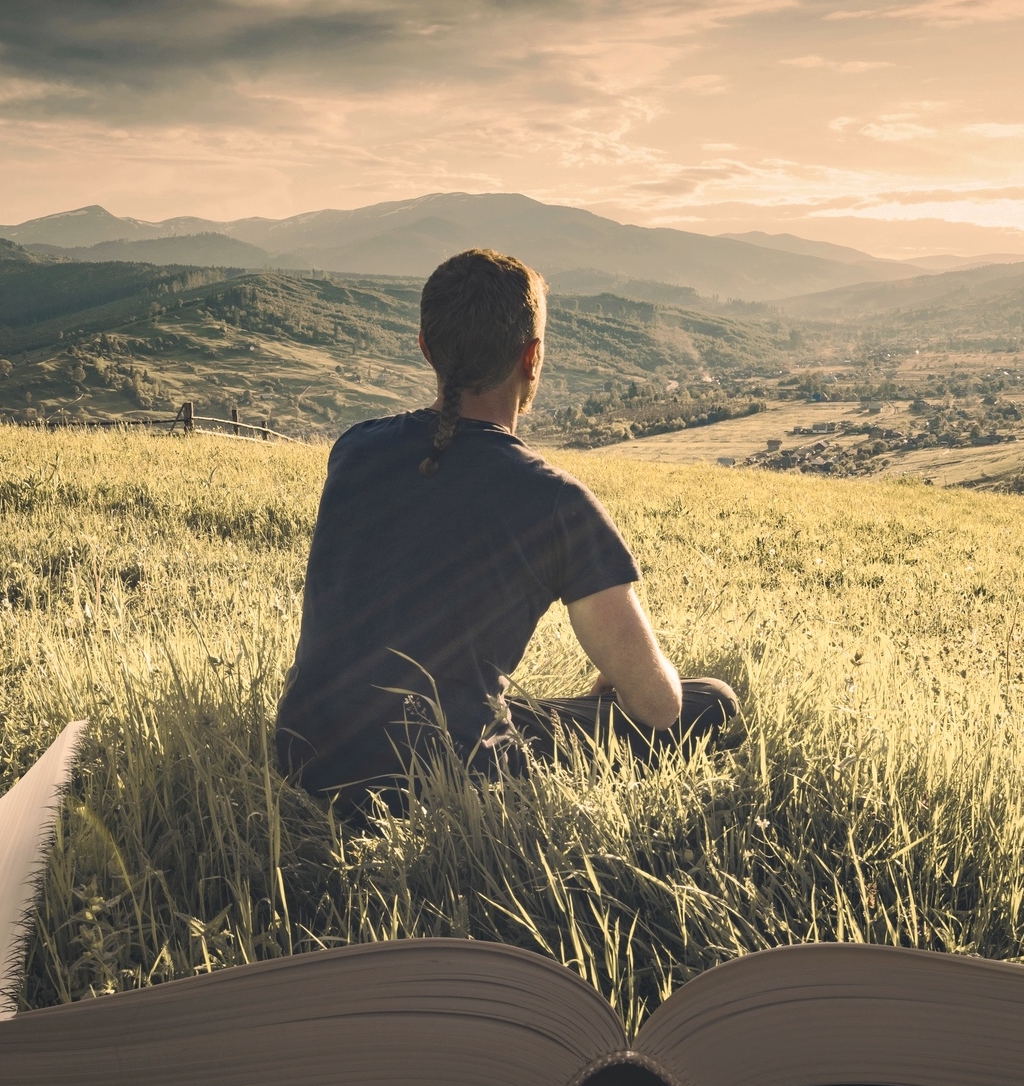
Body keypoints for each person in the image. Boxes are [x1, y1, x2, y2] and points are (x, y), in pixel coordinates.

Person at [274, 248, 739, 817]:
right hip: (438, 781)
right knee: (711, 702)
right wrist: (624, 679)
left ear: (426, 347)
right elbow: (661, 708)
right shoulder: (556, 502)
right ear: (533, 357)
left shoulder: (353, 449)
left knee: (502, 708)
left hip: (305, 758)